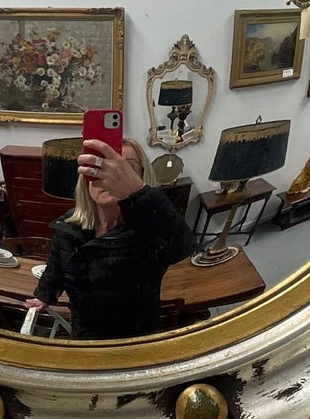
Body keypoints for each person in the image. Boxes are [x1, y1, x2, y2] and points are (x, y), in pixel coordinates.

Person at [26, 135, 196, 339]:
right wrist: (43, 296)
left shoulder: (149, 229)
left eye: (125, 169)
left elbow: (181, 246)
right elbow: (56, 267)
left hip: (135, 339)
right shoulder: (70, 225)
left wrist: (137, 193)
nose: (109, 177)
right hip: (84, 334)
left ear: (140, 178)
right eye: (99, 168)